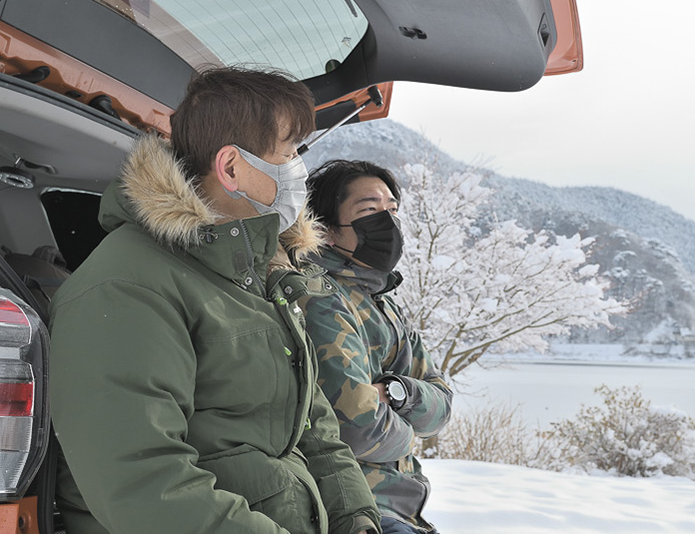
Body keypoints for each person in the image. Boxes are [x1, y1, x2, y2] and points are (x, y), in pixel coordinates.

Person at [48, 68, 381, 534]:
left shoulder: (256, 274)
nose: (299, 173)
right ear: (230, 168)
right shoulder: (127, 286)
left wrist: (355, 517)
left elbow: (312, 425)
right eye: (288, 155)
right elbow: (144, 482)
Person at [301, 160, 453, 534]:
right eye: (369, 210)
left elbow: (442, 407)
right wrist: (410, 435)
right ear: (327, 229)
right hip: (356, 507)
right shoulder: (320, 297)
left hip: (402, 509)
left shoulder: (382, 301)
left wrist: (399, 394)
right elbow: (358, 429)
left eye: (392, 209)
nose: (387, 221)